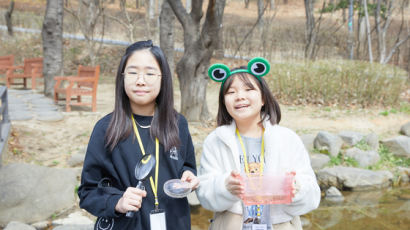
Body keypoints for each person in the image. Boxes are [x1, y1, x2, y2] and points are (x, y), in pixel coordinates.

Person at [78, 40, 199, 230]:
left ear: (163, 78)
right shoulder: (106, 129)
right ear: (122, 77)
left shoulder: (178, 124)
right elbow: (88, 192)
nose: (140, 80)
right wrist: (117, 202)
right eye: (133, 72)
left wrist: (188, 176)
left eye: (150, 73)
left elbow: (187, 166)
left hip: (174, 223)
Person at [196, 57, 320, 230]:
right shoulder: (215, 141)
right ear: (224, 102)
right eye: (231, 92)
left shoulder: (287, 139)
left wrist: (296, 188)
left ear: (263, 98)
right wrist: (225, 187)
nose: (240, 97)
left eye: (249, 89)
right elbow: (204, 194)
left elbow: (313, 196)